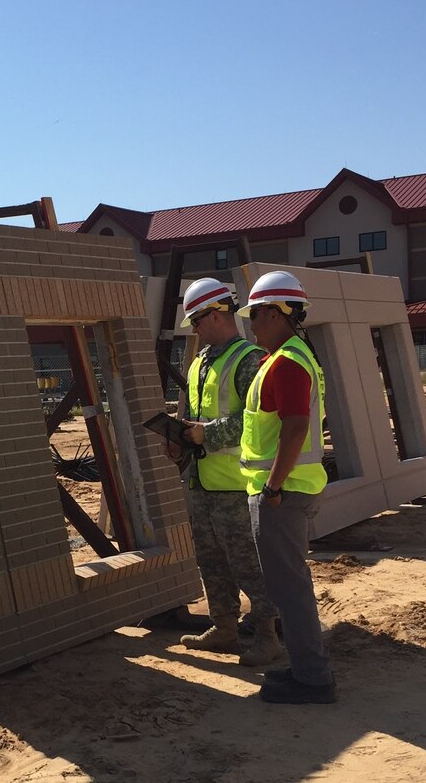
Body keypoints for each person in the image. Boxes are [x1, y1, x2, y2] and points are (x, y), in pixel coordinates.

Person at [167, 278, 283, 666]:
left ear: (216, 314)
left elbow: (257, 420)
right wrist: (179, 434)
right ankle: (225, 627)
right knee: (211, 561)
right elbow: (196, 416)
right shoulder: (201, 361)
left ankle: (267, 635)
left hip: (236, 484)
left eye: (197, 321)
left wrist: (206, 434)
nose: (194, 329)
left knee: (248, 564)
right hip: (201, 482)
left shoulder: (249, 359)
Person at [237, 269, 336, 704]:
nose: (251, 323)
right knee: (288, 586)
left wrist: (273, 487)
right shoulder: (286, 358)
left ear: (276, 314)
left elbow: (295, 428)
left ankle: (312, 679)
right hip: (291, 488)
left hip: (284, 493)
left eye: (255, 314)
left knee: (290, 589)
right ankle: (303, 669)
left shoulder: (289, 363)